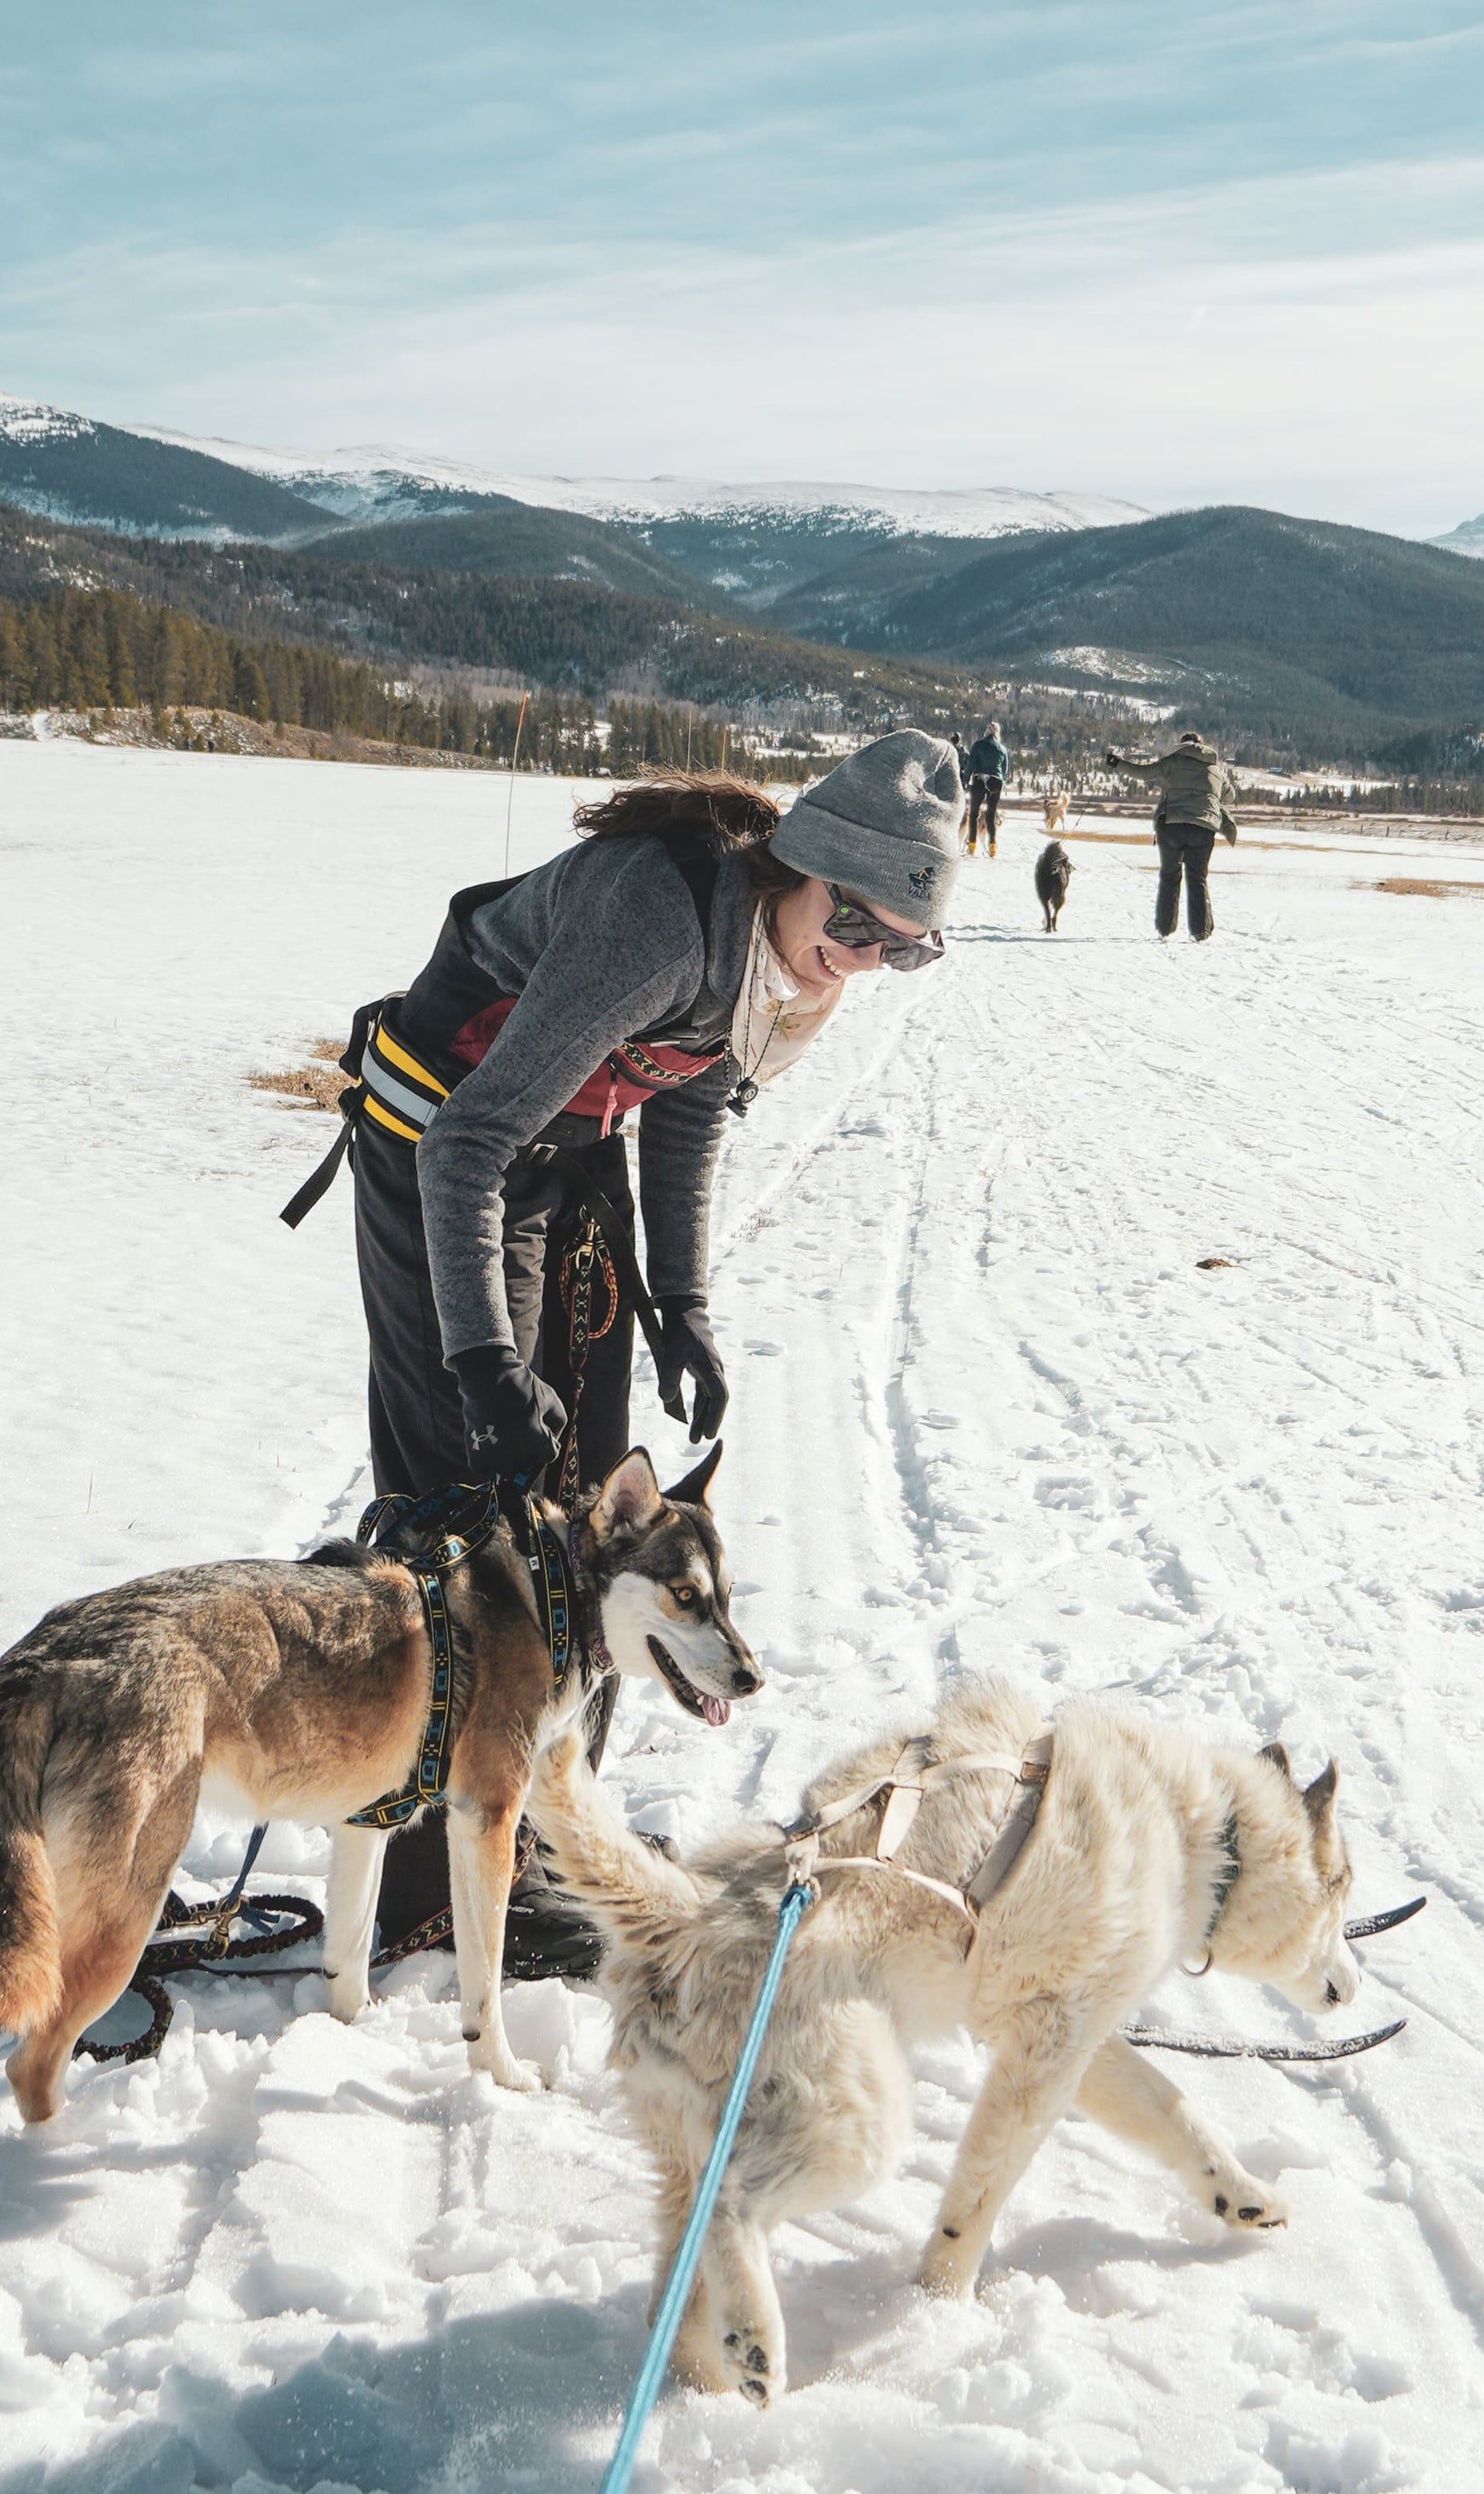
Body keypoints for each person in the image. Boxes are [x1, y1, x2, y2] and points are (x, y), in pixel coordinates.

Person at [340, 731, 964, 1948]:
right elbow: (468, 1145)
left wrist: (681, 1303)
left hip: (565, 1157)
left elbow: (686, 1105)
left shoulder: (787, 966)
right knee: (472, 1513)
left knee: (594, 1515)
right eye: (857, 925)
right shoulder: (661, 921)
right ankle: (442, 1889)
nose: (865, 959)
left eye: (905, 945)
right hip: (442, 1153)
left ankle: (553, 1836)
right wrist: (478, 1361)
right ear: (804, 868)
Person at [1148, 728, 1239, 942]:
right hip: (1202, 828)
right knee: (1197, 878)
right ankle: (1200, 931)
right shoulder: (1213, 768)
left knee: (1169, 875)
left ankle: (1164, 928)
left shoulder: (1173, 765)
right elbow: (1230, 796)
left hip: (1170, 825)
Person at [960, 716, 1008, 858]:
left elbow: (971, 764)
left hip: (979, 780)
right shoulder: (1002, 749)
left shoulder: (978, 745)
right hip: (996, 782)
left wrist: (965, 779)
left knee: (974, 814)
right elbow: (1004, 771)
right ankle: (992, 847)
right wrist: (1001, 782)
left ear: (986, 732)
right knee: (990, 815)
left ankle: (972, 846)